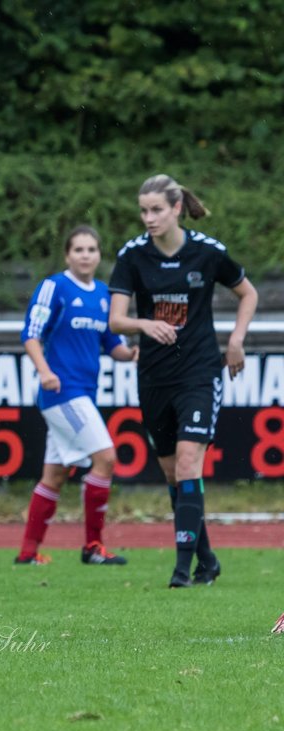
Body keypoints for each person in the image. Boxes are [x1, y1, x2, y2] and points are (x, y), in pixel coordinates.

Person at [108, 174, 258, 588]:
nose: (148, 218)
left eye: (156, 209)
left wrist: (237, 340)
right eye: (143, 210)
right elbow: (115, 319)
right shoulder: (133, 255)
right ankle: (207, 559)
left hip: (198, 372)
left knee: (190, 462)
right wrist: (144, 324)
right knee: (174, 475)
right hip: (154, 376)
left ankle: (181, 571)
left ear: (176, 209)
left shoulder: (207, 252)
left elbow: (249, 293)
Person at [15, 226, 137, 567]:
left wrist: (136, 353)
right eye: (79, 249)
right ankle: (93, 547)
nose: (86, 255)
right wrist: (44, 371)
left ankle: (27, 553)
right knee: (107, 458)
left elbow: (113, 346)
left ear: (99, 255)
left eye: (92, 249)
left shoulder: (102, 294)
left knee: (54, 474)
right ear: (68, 255)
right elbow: (31, 334)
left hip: (84, 393)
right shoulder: (54, 286)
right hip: (62, 392)